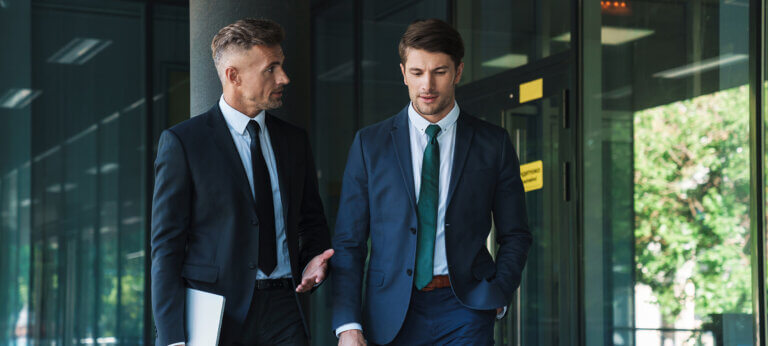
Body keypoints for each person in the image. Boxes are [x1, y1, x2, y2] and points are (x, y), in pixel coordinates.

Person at [331, 18, 532, 345]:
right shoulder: (371, 144)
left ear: (458, 72)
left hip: (466, 307)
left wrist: (498, 292)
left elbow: (516, 233)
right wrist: (348, 324)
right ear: (403, 73)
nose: (428, 85)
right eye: (417, 73)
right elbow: (349, 243)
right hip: (391, 311)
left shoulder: (492, 143)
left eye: (439, 72)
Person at [151, 18, 332, 346]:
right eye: (271, 69)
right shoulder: (184, 143)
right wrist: (172, 339)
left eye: (282, 66)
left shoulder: (294, 141)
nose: (284, 78)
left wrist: (312, 260)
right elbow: (167, 248)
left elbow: (311, 221)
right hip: (218, 315)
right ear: (233, 76)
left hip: (284, 309)